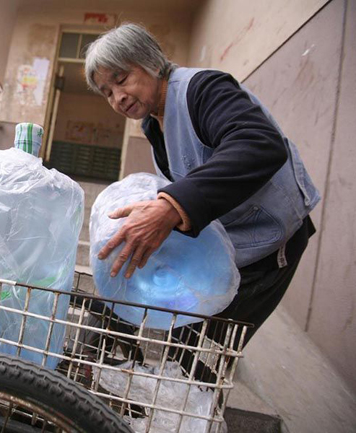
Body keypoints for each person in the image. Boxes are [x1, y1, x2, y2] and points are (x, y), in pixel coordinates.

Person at [84, 23, 320, 348]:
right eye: (107, 92)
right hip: (228, 241)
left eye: (121, 79)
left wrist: (169, 206)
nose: (118, 98)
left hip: (269, 240)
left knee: (203, 352)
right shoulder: (155, 123)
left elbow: (259, 143)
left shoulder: (203, 88)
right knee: (183, 336)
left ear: (151, 62)